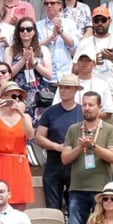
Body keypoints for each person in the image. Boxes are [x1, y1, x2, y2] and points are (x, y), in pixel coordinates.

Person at [62, 92, 113, 224]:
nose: (87, 108)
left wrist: (93, 146)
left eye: (91, 105)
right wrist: (80, 147)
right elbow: (65, 158)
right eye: (84, 104)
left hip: (102, 190)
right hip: (77, 189)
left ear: (99, 107)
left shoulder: (109, 129)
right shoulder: (73, 130)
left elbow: (112, 157)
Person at [34, 74, 81, 211]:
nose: (63, 90)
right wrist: (56, 146)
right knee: (53, 207)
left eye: (67, 87)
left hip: (75, 163)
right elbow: (39, 137)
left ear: (75, 90)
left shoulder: (82, 111)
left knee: (76, 207)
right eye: (61, 87)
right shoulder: (50, 112)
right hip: (53, 162)